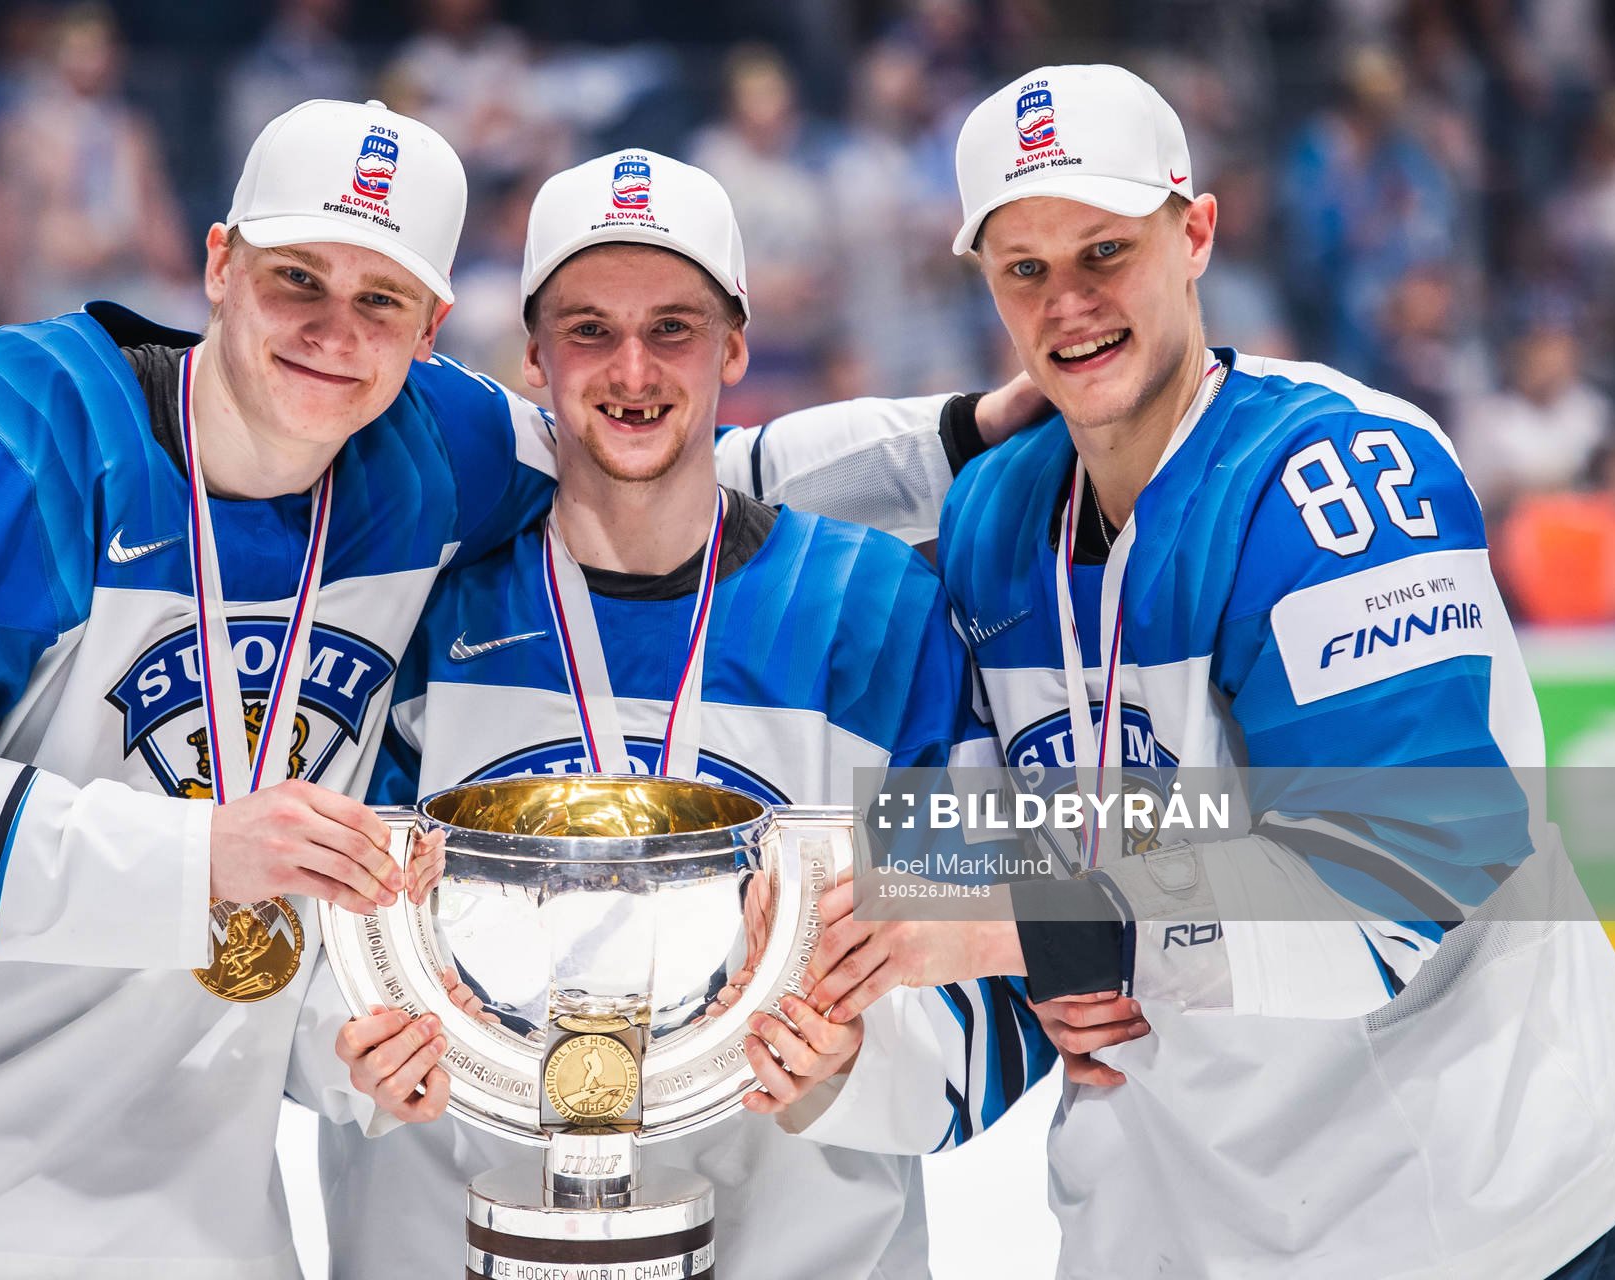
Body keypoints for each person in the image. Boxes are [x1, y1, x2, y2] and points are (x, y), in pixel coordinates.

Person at [0, 99, 1003, 1279]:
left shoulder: (849, 596)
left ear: (433, 329)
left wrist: (992, 434)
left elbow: (1096, 872)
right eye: (296, 280)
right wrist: (245, 909)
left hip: (162, 1191)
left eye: (381, 300)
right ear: (217, 264)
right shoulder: (45, 434)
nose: (334, 330)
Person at [804, 64, 1615, 1277]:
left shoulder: (1338, 470)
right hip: (1170, 1224)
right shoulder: (993, 516)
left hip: (1470, 1218)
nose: (1068, 301)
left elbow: (1411, 856)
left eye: (1104, 249)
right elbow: (986, 842)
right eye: (1024, 267)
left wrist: (1038, 920)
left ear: (1196, 233)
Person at [316, 150, 1074, 1279]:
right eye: (588, 328)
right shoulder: (420, 598)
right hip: (451, 1236)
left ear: (733, 345)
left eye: (673, 327)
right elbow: (312, 934)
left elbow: (1001, 985)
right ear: (535, 353)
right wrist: (348, 1062)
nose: (631, 368)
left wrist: (851, 1065)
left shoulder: (872, 608)